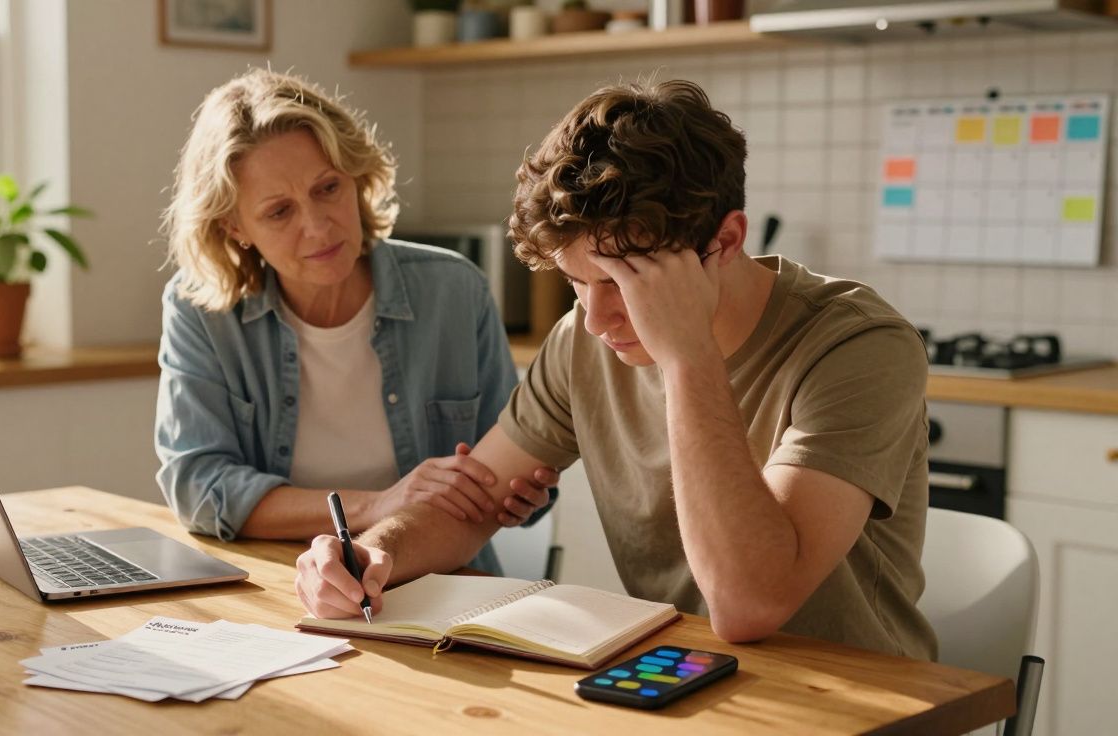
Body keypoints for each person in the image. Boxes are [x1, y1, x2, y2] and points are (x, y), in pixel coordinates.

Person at [294, 78, 938, 659]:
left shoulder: (859, 347)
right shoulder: (584, 339)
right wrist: (376, 554)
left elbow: (749, 605)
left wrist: (687, 355)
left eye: (624, 282)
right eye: (578, 283)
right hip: (678, 678)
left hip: (857, 701)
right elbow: (475, 501)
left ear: (726, 241)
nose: (598, 319)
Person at [155, 69, 558, 574]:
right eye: (280, 212)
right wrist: (375, 504)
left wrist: (522, 495)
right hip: (276, 581)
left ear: (357, 177)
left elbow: (523, 477)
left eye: (327, 188)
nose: (318, 225)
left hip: (440, 583)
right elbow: (196, 485)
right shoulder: (201, 311)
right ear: (235, 227)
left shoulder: (454, 291)